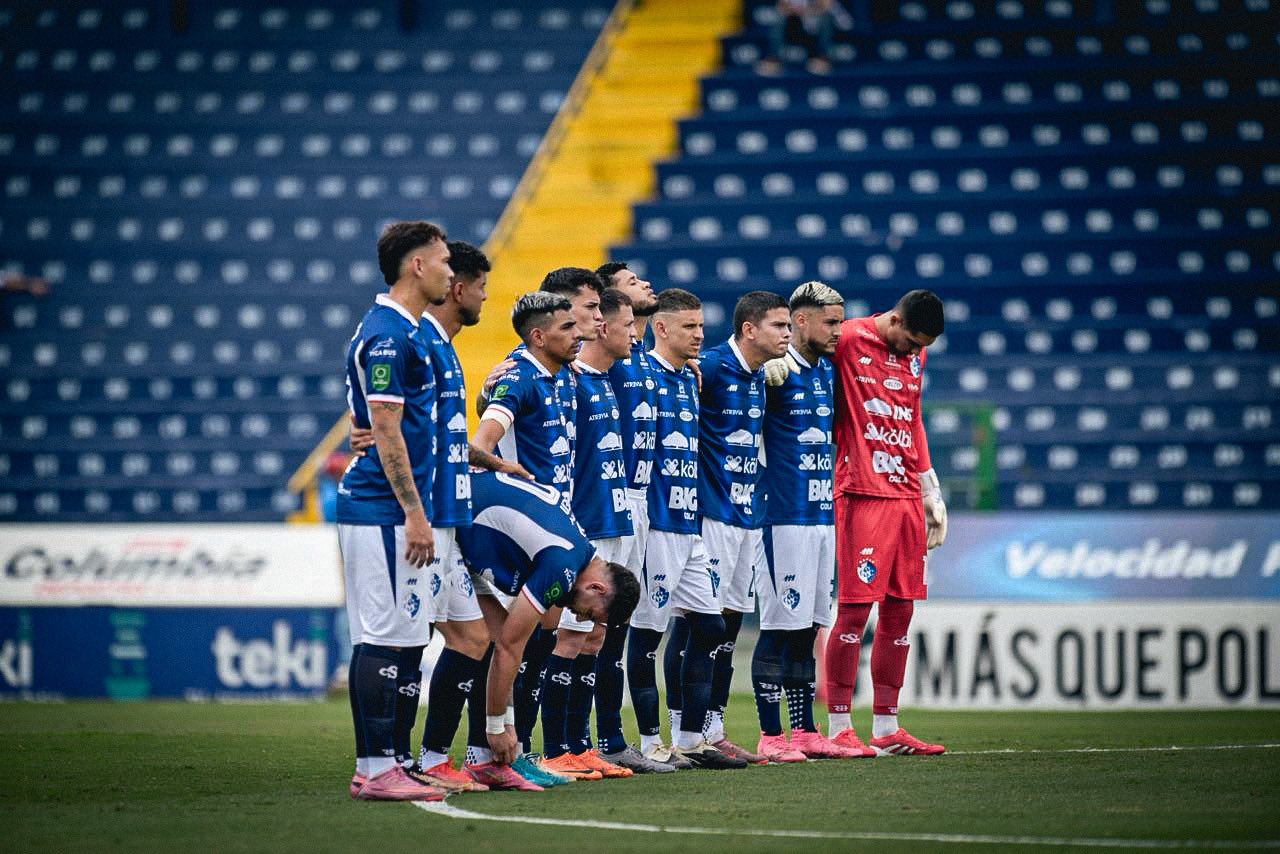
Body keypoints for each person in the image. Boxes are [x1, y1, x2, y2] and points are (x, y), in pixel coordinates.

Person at [337, 220, 451, 801]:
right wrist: (414, 511)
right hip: (382, 509)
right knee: (381, 637)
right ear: (417, 266)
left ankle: (392, 762)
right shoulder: (388, 335)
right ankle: (374, 767)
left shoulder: (405, 331)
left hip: (399, 507)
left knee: (405, 637)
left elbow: (377, 419)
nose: (451, 272)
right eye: (444, 261)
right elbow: (384, 427)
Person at [455, 472, 641, 788]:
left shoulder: (578, 548)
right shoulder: (562, 565)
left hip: (459, 540)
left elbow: (506, 640)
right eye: (592, 614)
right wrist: (496, 727)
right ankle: (407, 761)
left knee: (488, 638)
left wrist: (505, 723)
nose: (582, 620)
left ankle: (481, 759)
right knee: (433, 642)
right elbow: (511, 646)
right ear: (596, 588)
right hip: (438, 524)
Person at [824, 289, 949, 755]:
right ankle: (839, 725)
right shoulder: (848, 337)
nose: (917, 352)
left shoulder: (916, 355)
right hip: (862, 490)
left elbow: (913, 416)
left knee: (902, 610)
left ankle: (886, 728)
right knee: (856, 610)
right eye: (913, 341)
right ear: (894, 321)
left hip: (905, 496)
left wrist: (929, 486)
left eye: (924, 346)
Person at [627, 288, 746, 770]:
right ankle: (652, 741)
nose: (700, 335)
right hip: (655, 525)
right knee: (647, 634)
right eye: (690, 327)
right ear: (661, 328)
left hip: (688, 522)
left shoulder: (689, 380)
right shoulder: (640, 375)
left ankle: (691, 737)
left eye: (701, 326)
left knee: (710, 624)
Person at [756, 282, 865, 759]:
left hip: (821, 515)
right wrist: (759, 374)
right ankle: (770, 734)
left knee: (808, 628)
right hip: (782, 518)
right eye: (831, 322)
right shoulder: (774, 373)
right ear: (800, 321)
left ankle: (804, 731)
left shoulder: (825, 372)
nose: (839, 332)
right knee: (779, 627)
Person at [688, 291, 792, 764]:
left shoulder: (758, 377)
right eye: (779, 326)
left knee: (728, 627)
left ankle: (714, 727)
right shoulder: (708, 368)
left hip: (747, 516)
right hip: (710, 516)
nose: (787, 335)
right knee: (698, 627)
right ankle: (678, 733)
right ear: (749, 330)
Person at [594, 262, 686, 771]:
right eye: (632, 283)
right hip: (602, 502)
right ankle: (566, 742)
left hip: (639, 505)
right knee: (579, 630)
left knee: (613, 630)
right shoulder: (601, 359)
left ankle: (608, 740)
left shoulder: (646, 363)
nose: (646, 286)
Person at [756, 0, 837, 76]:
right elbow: (781, 6)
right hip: (793, 21)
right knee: (779, 18)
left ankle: (823, 58)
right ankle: (774, 59)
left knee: (826, 18)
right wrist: (796, 11)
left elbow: (827, 5)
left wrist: (808, 11)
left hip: (813, 19)